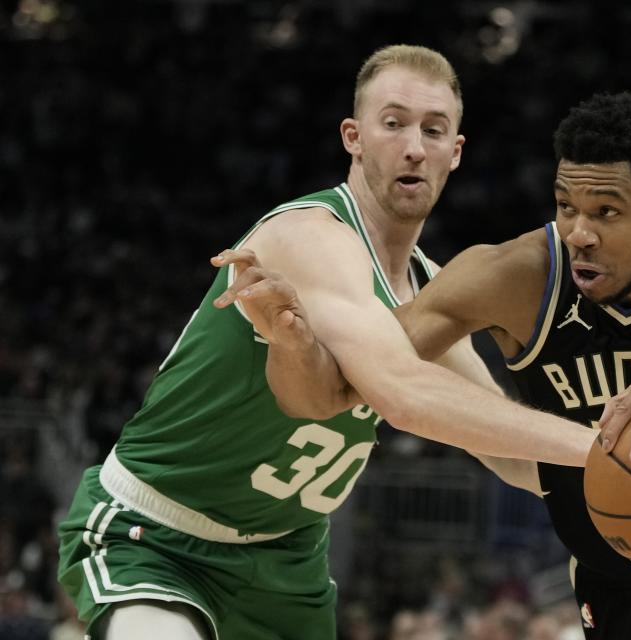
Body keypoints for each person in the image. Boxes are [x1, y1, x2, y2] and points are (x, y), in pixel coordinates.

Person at [234, 92, 631, 639]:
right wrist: (292, 342)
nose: (579, 231)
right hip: (611, 577)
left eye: (606, 212)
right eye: (566, 206)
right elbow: (333, 393)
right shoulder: (513, 276)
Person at [56, 44, 599, 640]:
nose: (414, 146)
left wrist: (625, 487)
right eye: (393, 124)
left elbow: (510, 454)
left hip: (287, 558)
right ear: (354, 137)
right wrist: (596, 448)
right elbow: (404, 394)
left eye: (433, 130)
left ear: (456, 152)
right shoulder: (310, 236)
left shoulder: (431, 287)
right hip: (159, 535)